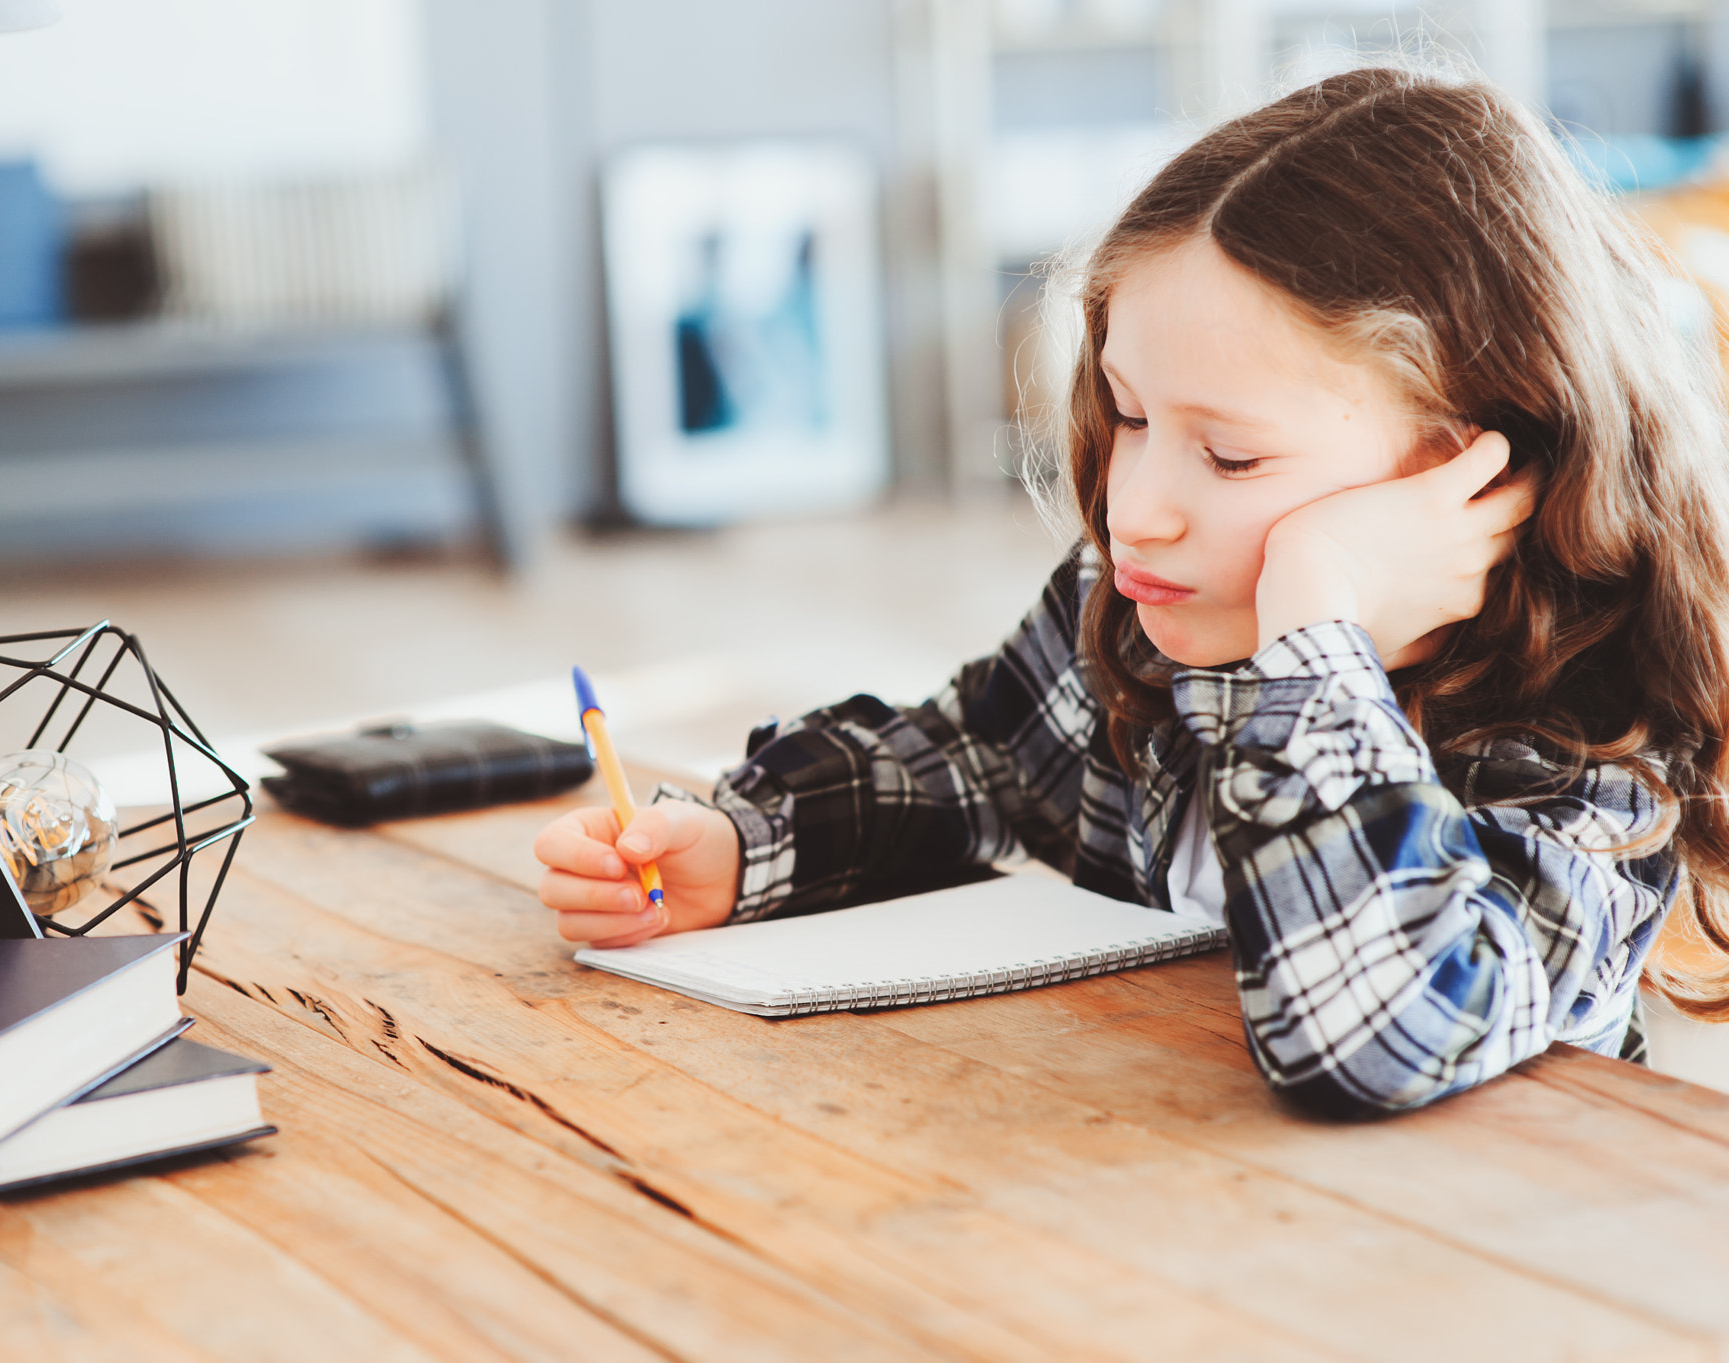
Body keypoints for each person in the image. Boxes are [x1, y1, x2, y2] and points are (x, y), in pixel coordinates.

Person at [531, 66, 1729, 1115]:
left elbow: (1374, 1033)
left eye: (1230, 455)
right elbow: (971, 762)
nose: (1133, 506)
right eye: (1129, 414)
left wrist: (1312, 633)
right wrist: (747, 847)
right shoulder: (1150, 612)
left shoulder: (1592, 744)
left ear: (1474, 467)